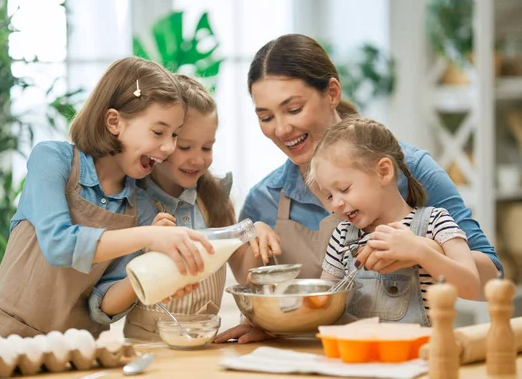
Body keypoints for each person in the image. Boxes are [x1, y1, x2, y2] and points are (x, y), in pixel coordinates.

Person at [215, 34, 502, 344]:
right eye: (267, 117)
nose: (281, 129)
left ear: (332, 93)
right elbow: (264, 297)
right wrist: (268, 321)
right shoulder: (265, 199)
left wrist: (424, 251)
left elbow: (488, 283)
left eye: (294, 109)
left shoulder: (411, 169)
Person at [0, 57, 215, 338]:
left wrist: (155, 275)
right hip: (7, 338)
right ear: (114, 122)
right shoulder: (53, 160)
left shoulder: (141, 211)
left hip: (80, 350)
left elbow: (101, 304)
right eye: (158, 132)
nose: (168, 147)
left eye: (175, 135)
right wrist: (148, 237)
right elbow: (59, 244)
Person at [88, 74, 279, 340]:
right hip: (150, 350)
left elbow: (244, 273)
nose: (198, 159)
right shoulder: (132, 207)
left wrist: (255, 233)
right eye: (185, 146)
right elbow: (102, 306)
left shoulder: (215, 201)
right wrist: (146, 258)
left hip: (206, 345)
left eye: (207, 147)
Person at [313, 118, 480, 325]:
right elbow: (323, 300)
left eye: (344, 189)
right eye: (329, 196)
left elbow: (470, 286)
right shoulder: (342, 235)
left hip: (420, 354)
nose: (335, 204)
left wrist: (420, 251)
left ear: (384, 171)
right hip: (358, 354)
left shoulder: (435, 222)